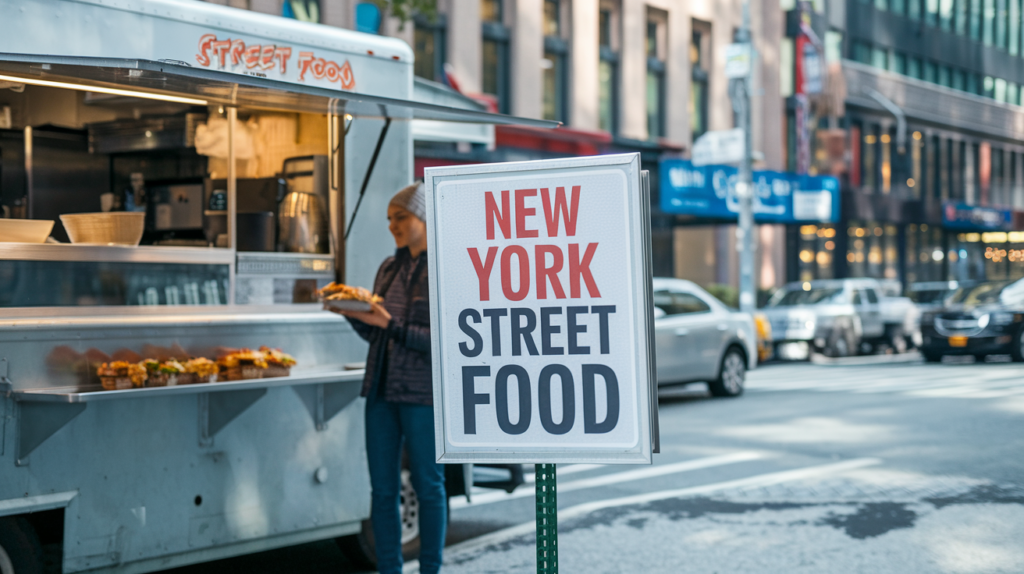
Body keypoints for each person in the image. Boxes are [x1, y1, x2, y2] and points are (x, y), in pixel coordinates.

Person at [329, 182, 446, 574]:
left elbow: (445, 341)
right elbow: (377, 332)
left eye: (401, 217)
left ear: (424, 217)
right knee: (382, 491)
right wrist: (352, 313)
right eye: (389, 219)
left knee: (429, 486)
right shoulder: (388, 267)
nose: (393, 225)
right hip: (379, 390)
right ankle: (389, 570)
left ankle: (431, 568)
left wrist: (389, 324)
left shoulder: (445, 266)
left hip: (423, 394)